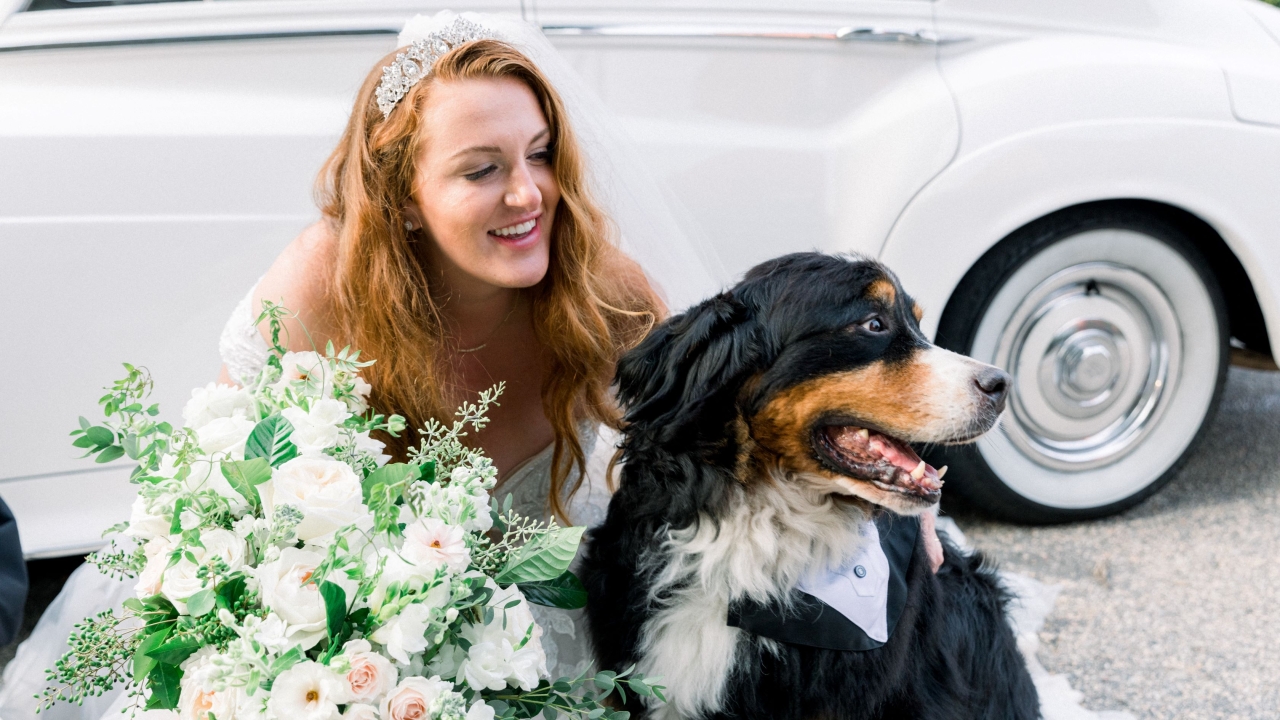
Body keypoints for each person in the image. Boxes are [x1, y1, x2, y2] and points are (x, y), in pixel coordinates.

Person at [0, 12, 943, 718]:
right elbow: (212, 482)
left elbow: (743, 410)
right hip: (322, 611)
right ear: (404, 197)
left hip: (518, 625)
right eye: (481, 168)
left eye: (539, 155)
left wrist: (895, 502)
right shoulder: (320, 287)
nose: (528, 194)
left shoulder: (602, 291)